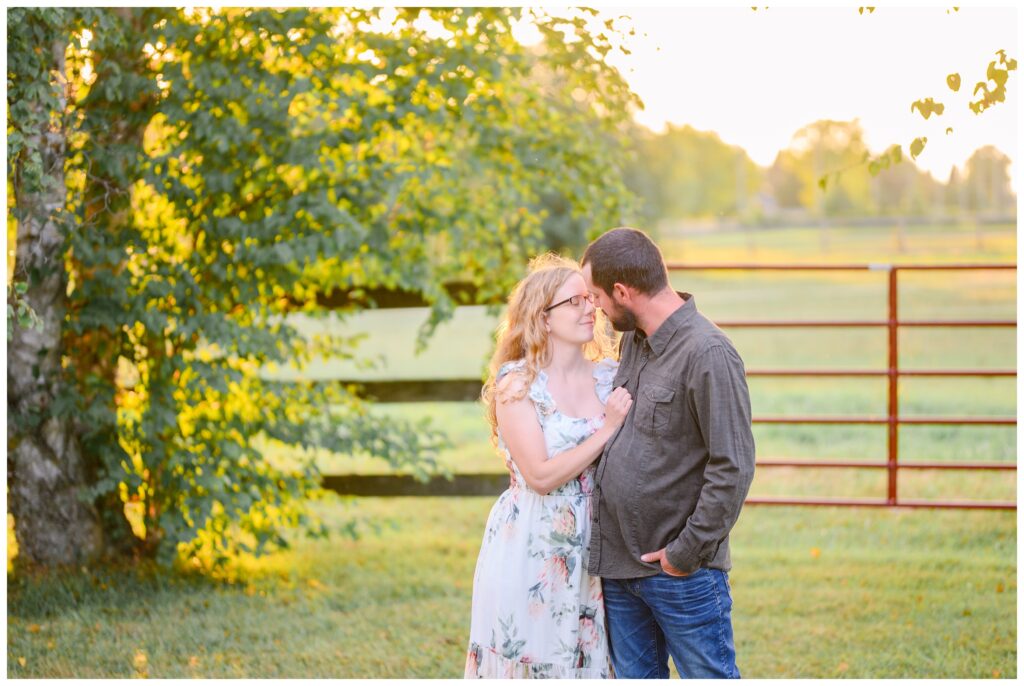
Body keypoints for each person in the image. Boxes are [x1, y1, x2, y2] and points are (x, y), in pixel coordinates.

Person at [581, 227, 756, 679]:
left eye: (598, 296)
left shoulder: (709, 353)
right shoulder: (633, 341)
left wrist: (685, 552)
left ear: (623, 291)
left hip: (681, 575)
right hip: (621, 568)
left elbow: (732, 467)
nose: (596, 307)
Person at [464, 253, 633, 679]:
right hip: (534, 539)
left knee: (590, 659)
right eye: (573, 302)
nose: (589, 308)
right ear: (542, 317)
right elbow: (539, 476)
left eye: (588, 299)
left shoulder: (610, 376)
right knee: (534, 656)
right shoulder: (518, 384)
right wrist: (607, 428)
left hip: (598, 542)